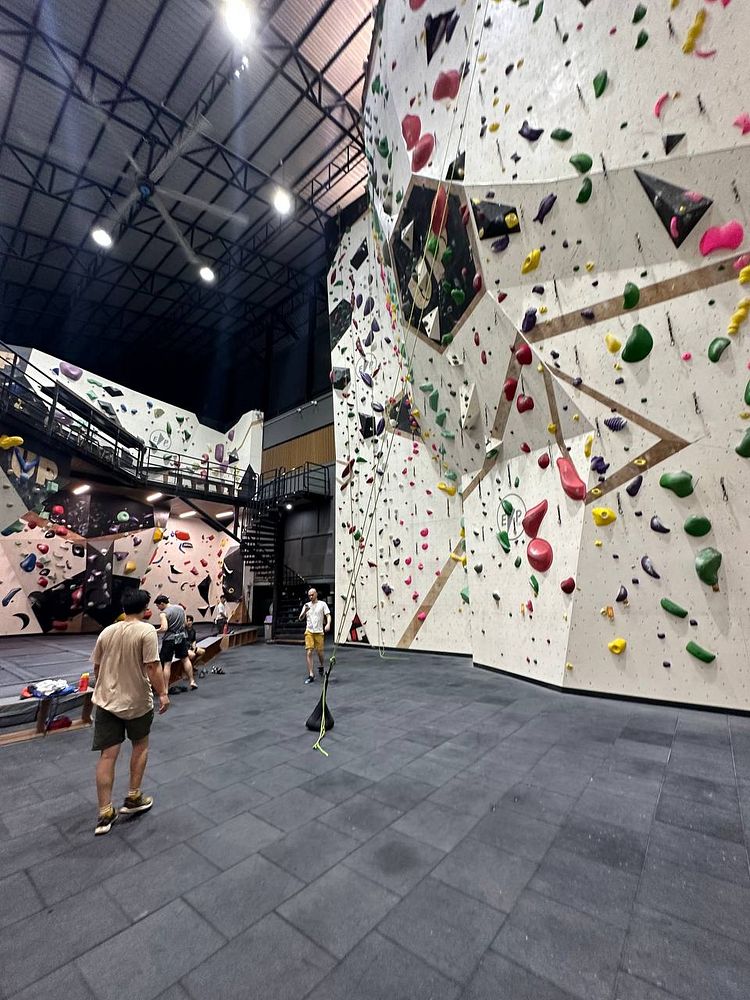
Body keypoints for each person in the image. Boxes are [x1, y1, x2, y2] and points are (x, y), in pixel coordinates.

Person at [90, 588, 169, 836]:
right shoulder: (146, 631)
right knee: (140, 746)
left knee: (107, 756)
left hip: (106, 702)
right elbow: (153, 666)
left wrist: (104, 686)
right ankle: (133, 797)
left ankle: (105, 812)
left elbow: (97, 667)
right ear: (145, 609)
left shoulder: (107, 631)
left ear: (124, 608)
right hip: (136, 702)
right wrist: (163, 693)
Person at [154, 594, 196, 692]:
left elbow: (164, 628)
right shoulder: (180, 608)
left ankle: (165, 688)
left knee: (167, 663)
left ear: (162, 603)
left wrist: (154, 631)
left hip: (169, 639)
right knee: (185, 659)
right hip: (181, 637)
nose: (158, 608)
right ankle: (192, 681)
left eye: (158, 606)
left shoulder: (164, 613)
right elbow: (185, 624)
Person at [298, 587, 331, 684]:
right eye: (309, 595)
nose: (311, 597)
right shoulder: (306, 605)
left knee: (320, 652)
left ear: (316, 594)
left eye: (312, 595)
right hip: (309, 631)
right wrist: (305, 611)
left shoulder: (322, 604)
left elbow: (328, 615)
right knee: (309, 652)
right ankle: (311, 674)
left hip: (319, 631)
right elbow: (300, 618)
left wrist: (328, 624)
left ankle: (321, 665)